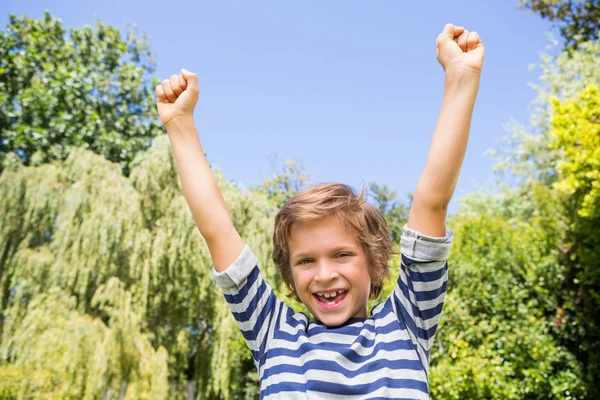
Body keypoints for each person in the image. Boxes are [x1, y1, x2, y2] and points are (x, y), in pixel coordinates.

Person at [155, 23, 483, 399]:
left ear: (376, 260)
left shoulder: (406, 323)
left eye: (342, 254)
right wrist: (180, 124)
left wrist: (461, 77)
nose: (325, 274)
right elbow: (216, 228)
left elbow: (432, 200)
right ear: (290, 275)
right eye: (306, 261)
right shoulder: (274, 333)